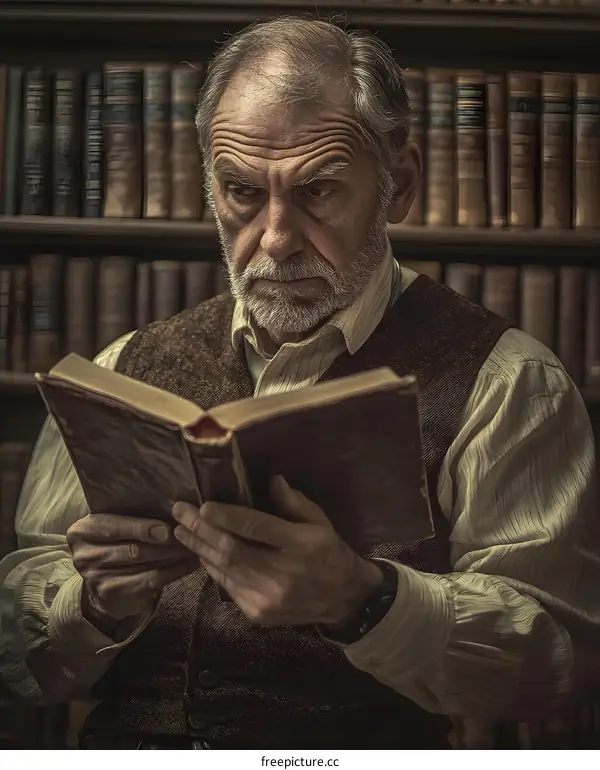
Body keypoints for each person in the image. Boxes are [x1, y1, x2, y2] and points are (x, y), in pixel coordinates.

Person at [1, 16, 599, 751]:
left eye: (318, 191)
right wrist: (91, 604)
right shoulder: (121, 368)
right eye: (241, 191)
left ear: (400, 185)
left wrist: (363, 601)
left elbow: (557, 666)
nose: (276, 239)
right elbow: (17, 660)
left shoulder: (510, 383)